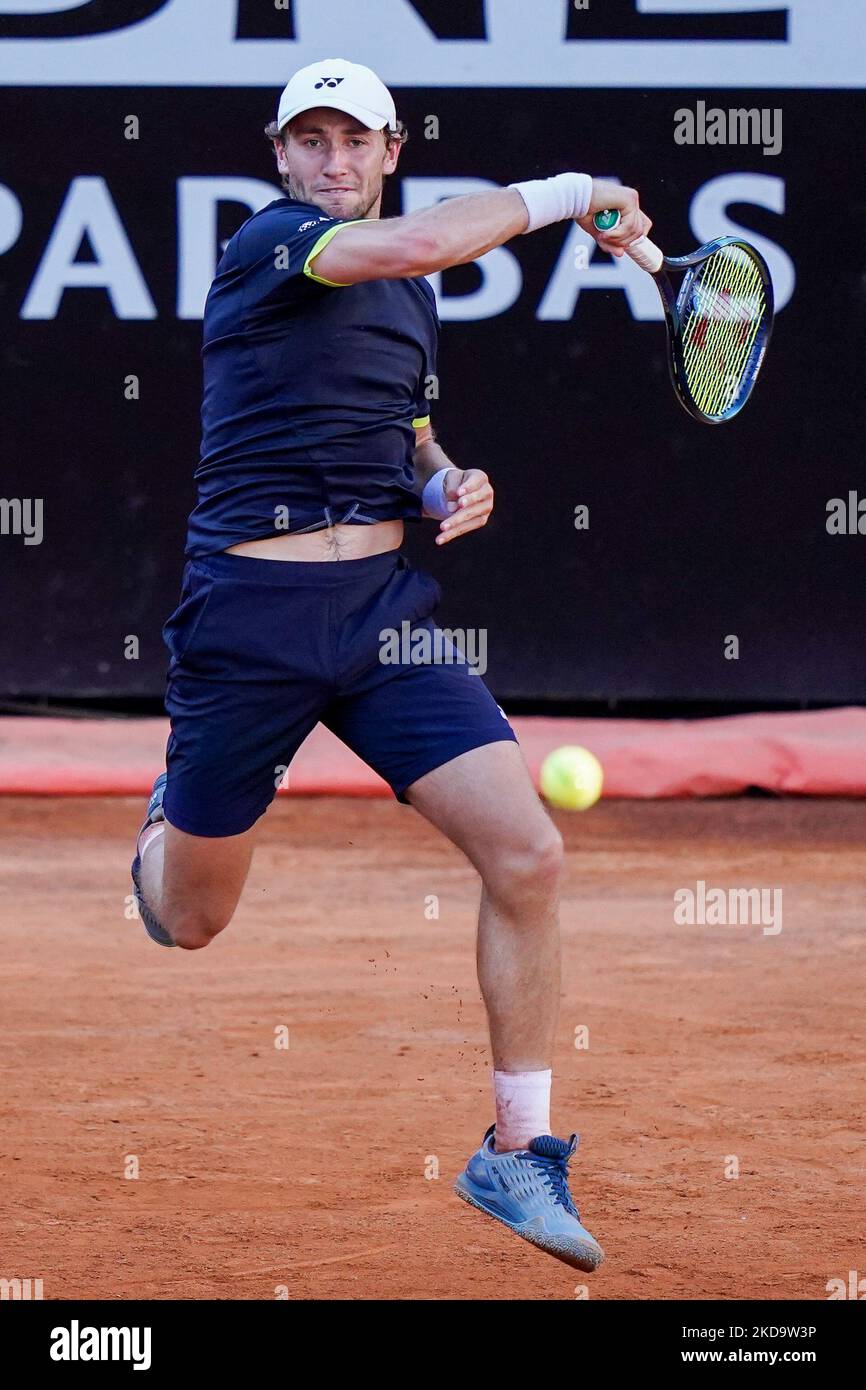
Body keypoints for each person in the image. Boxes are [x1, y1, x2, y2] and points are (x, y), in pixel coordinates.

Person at [131, 57, 651, 1273]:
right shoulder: (274, 242)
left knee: (527, 849)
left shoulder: (408, 296)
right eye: (308, 141)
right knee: (192, 919)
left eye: (352, 142)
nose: (330, 161)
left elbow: (404, 429)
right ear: (279, 156)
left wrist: (441, 481)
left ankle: (515, 1151)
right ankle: (163, 831)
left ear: (390, 149)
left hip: (379, 612)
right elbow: (414, 249)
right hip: (250, 618)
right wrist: (575, 190)